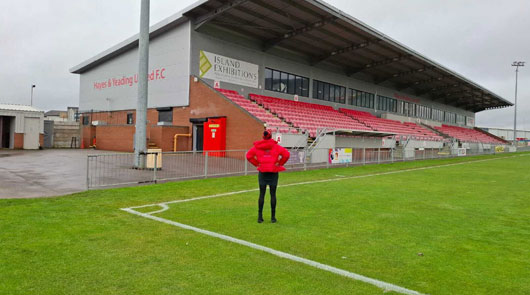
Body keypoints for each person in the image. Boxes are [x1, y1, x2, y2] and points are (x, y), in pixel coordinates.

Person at [246, 130, 290, 223]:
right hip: (273, 172)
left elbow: (249, 156)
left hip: (262, 172)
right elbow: (286, 155)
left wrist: (257, 164)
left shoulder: (257, 147)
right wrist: (279, 163)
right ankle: (273, 218)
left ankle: (260, 217)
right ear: (271, 136)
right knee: (273, 194)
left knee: (262, 194)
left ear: (263, 136)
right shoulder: (276, 147)